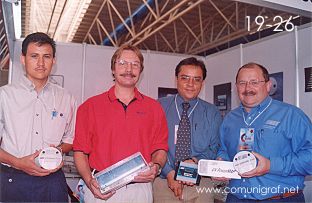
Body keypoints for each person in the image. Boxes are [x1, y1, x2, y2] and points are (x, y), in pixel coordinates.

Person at [73, 44, 168, 203]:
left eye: (135, 64)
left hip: (140, 190)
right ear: (113, 69)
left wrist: (157, 166)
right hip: (101, 189)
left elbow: (160, 148)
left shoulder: (154, 108)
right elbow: (80, 152)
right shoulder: (90, 107)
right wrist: (89, 181)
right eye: (122, 63)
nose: (129, 69)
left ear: (141, 70)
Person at [217, 62, 312, 202]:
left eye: (254, 82)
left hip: (279, 198)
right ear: (236, 87)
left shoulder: (291, 115)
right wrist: (221, 162)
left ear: (268, 86)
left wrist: (271, 165)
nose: (247, 88)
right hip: (235, 198)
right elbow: (224, 150)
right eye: (242, 83)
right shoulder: (230, 119)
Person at [0, 32, 77, 202]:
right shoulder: (4, 95)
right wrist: (17, 162)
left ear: (54, 60)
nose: (41, 63)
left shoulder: (67, 98)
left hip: (52, 180)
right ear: (23, 58)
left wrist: (59, 149)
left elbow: (70, 139)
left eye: (46, 57)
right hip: (14, 179)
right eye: (34, 56)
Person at [153, 57, 223, 203]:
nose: (190, 84)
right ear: (176, 79)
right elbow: (152, 144)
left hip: (200, 182)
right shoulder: (159, 107)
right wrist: (169, 173)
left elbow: (215, 147)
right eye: (185, 78)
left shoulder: (212, 112)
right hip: (164, 181)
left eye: (196, 79)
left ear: (202, 83)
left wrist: (195, 162)